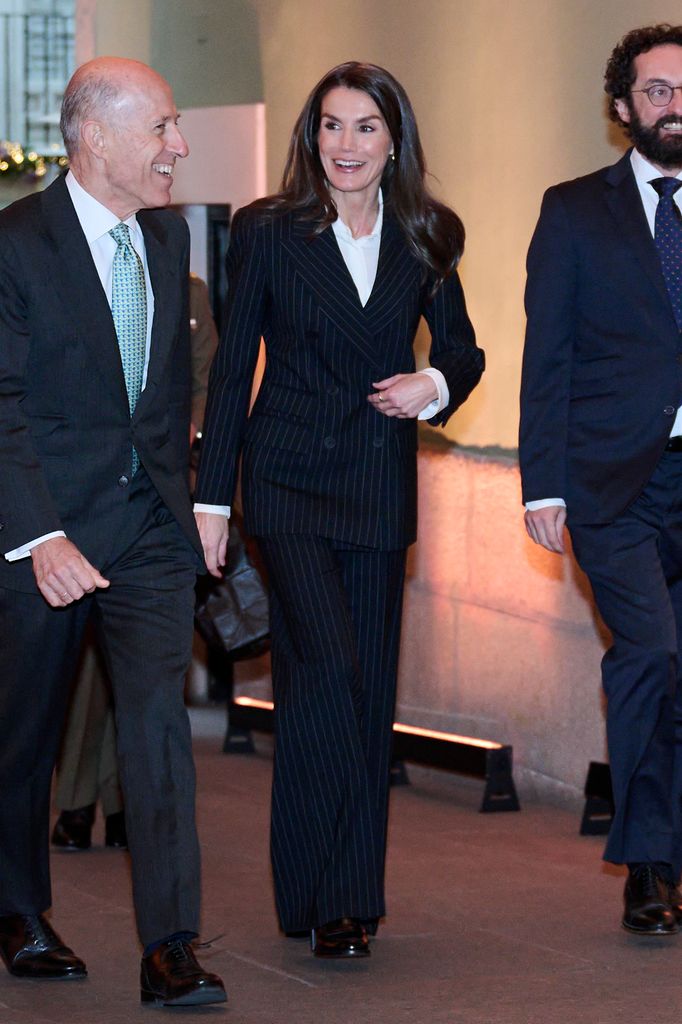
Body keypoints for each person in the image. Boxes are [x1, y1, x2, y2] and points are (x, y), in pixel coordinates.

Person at [194, 61, 484, 959]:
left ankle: (347, 897)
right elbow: (235, 359)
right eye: (330, 125)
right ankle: (311, 890)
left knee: (363, 691)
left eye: (364, 127)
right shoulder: (268, 231)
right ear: (309, 136)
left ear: (394, 137)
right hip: (284, 484)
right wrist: (213, 499)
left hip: (375, 485)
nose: (345, 144)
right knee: (323, 669)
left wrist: (431, 383)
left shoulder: (429, 233)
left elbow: (466, 352)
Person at [0, 57, 226, 1006]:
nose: (179, 146)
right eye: (162, 128)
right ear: (94, 139)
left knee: (156, 731)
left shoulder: (169, 237)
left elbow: (171, 393)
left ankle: (170, 944)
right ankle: (18, 911)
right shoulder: (15, 245)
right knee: (24, 736)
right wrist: (37, 536)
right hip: (47, 532)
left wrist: (198, 508)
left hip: (147, 532)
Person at [520, 24, 682, 937]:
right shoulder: (576, 209)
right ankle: (648, 867)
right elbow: (550, 355)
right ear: (623, 108)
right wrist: (542, 484)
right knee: (649, 654)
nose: (675, 107)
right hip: (615, 486)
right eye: (657, 91)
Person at [51, 273, 219, 854]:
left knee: (143, 672)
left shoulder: (182, 286)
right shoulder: (65, 274)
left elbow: (206, 383)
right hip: (84, 502)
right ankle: (79, 799)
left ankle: (119, 805)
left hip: (159, 502)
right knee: (89, 671)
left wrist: (188, 438)